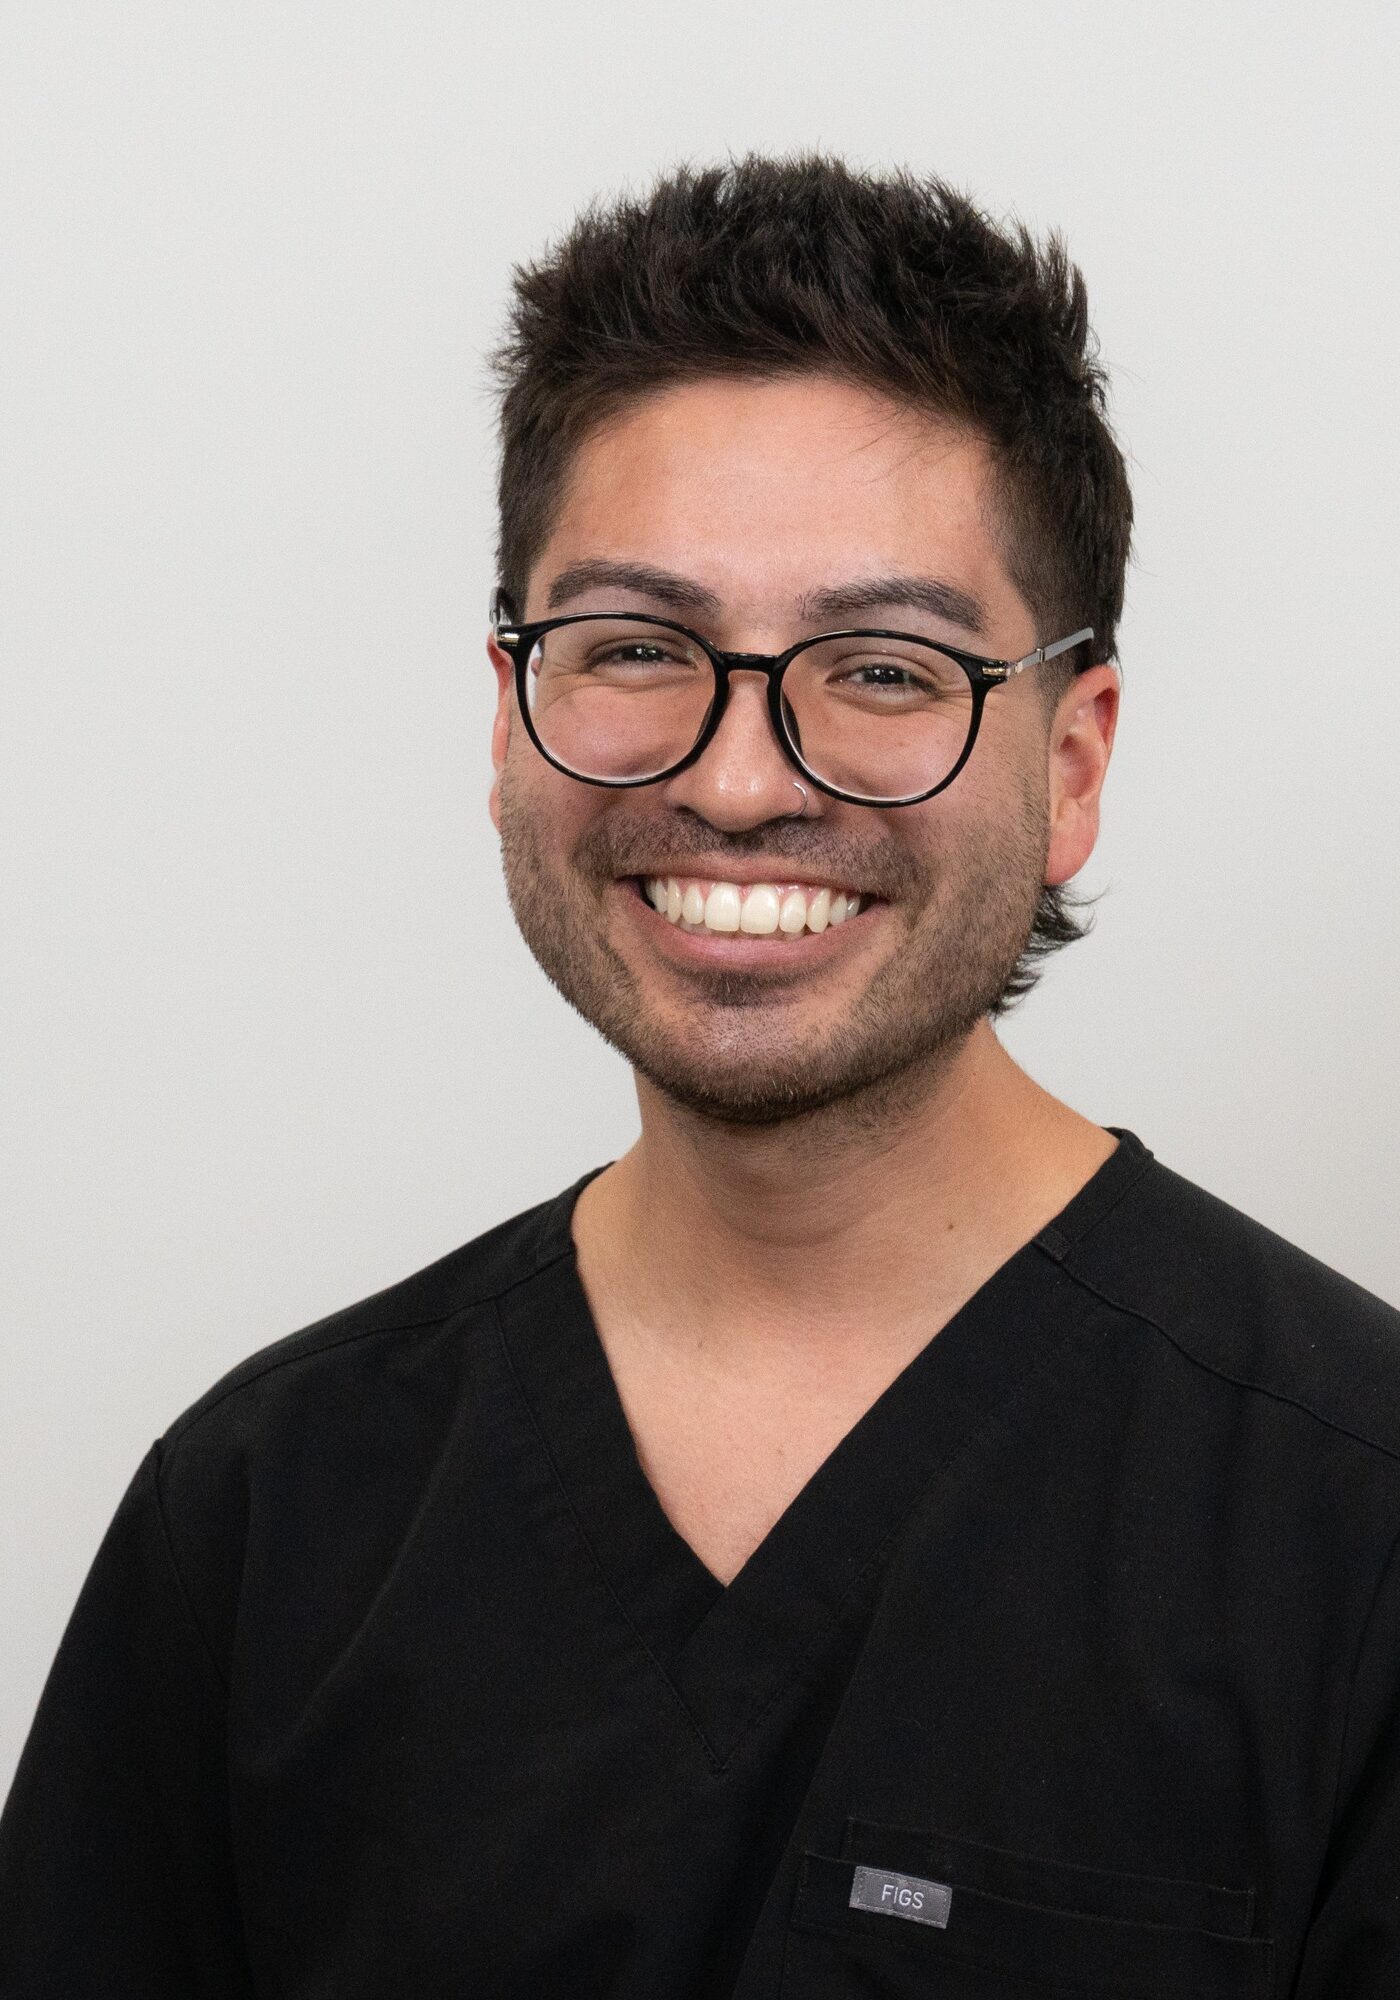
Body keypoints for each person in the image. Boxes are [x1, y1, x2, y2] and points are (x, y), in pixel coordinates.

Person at [2, 154, 1397, 2000]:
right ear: (509, 718)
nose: (741, 779)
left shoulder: (1352, 1535)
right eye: (640, 649)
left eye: (886, 668)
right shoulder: (267, 1521)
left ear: (1072, 760)